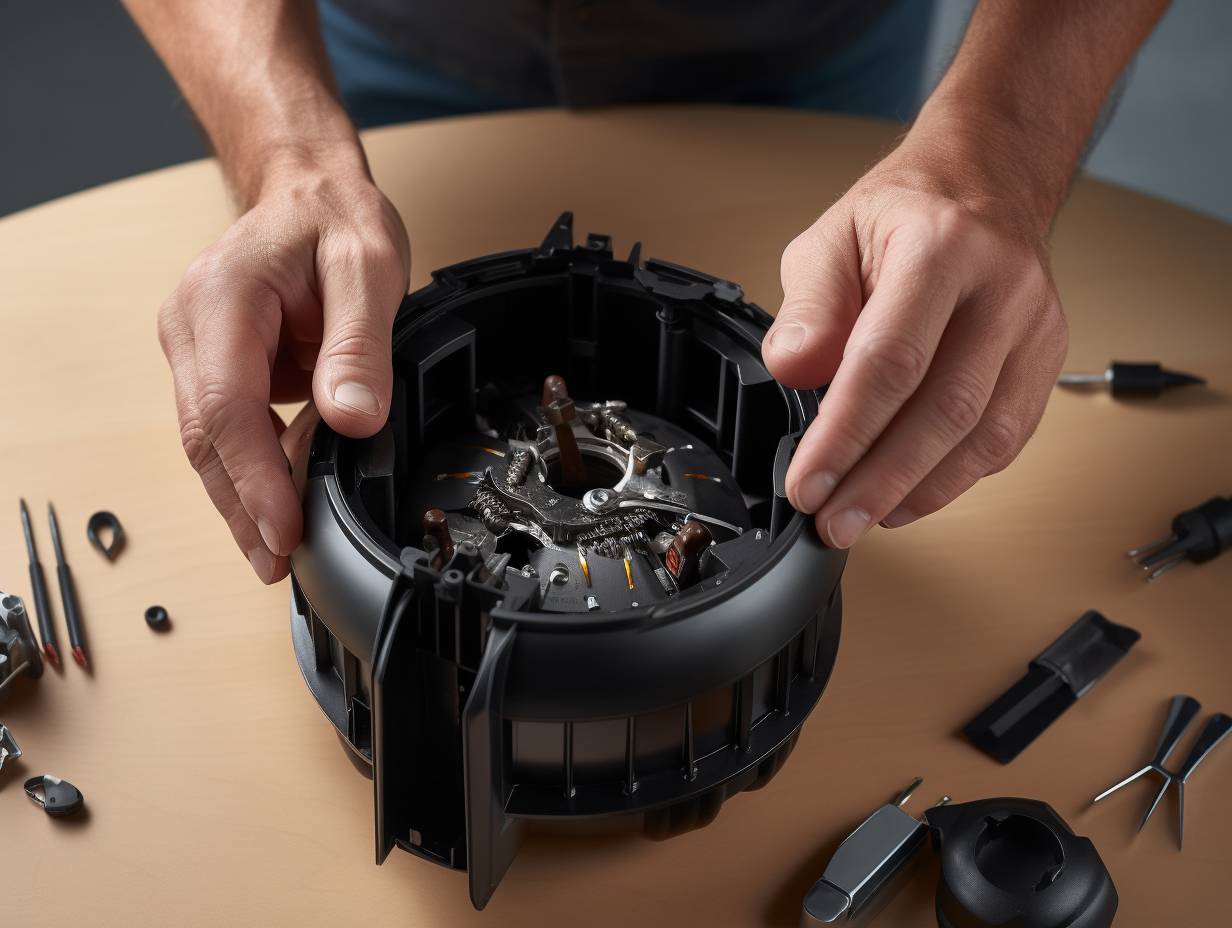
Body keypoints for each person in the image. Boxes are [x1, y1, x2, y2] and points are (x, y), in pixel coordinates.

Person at [122, 0, 1169, 584]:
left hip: (805, 46)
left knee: (867, 354)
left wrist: (995, 146)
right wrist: (286, 151)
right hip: (370, 40)